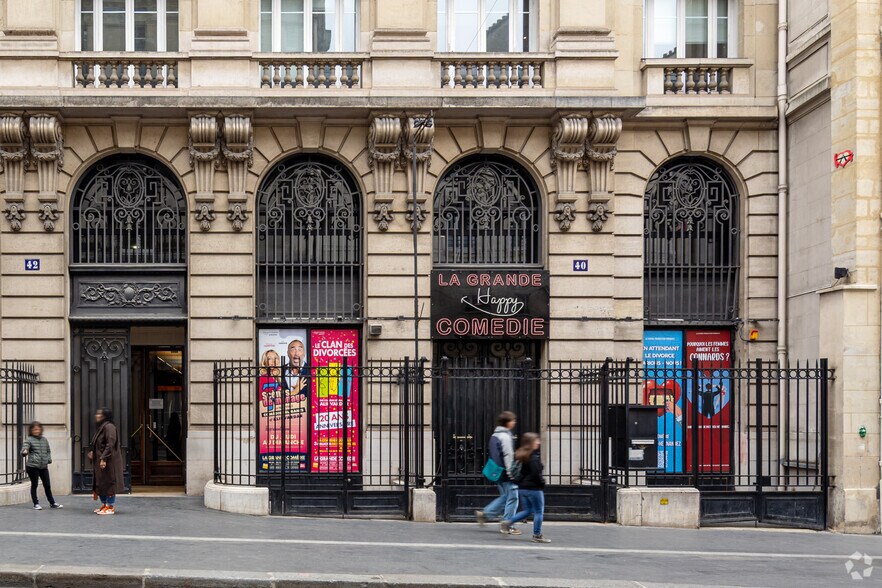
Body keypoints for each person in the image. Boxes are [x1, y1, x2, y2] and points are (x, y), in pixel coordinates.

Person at [475, 411, 520, 535]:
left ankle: (485, 514)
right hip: (506, 472)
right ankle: (508, 525)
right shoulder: (505, 436)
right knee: (513, 498)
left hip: (498, 472)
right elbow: (508, 455)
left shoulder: (495, 435)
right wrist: (512, 474)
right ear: (507, 422)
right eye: (512, 420)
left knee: (505, 496)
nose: (514, 422)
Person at [502, 432, 550, 543]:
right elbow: (536, 474)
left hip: (522, 488)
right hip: (534, 488)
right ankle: (537, 535)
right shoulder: (533, 457)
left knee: (528, 510)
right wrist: (542, 483)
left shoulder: (520, 455)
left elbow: (519, 473)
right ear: (532, 442)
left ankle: (508, 522)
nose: (538, 442)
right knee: (539, 511)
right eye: (536, 440)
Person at [89, 407, 124, 515]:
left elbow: (110, 444)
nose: (97, 416)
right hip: (100, 460)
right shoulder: (102, 427)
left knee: (109, 483)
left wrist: (103, 458)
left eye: (100, 414)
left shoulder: (109, 427)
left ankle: (110, 506)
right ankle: (104, 505)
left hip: (108, 461)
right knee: (101, 483)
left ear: (105, 416)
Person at [21, 421, 61, 510]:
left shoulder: (44, 440)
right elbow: (25, 447)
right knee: (34, 485)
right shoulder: (29, 439)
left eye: (38, 429)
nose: (36, 431)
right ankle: (36, 503)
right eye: (34, 429)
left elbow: (48, 450)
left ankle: (52, 503)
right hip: (32, 466)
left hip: (43, 466)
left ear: (40, 430)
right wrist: (24, 452)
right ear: (31, 430)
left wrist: (48, 459)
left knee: (47, 485)